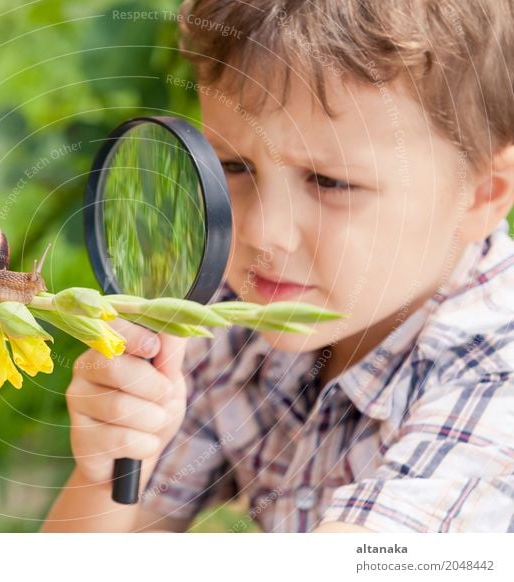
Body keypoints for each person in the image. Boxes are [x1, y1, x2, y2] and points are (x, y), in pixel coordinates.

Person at [41, 0, 514, 532]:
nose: (263, 231)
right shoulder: (234, 320)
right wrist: (110, 469)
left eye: (330, 182)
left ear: (481, 196)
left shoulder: (497, 389)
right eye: (235, 166)